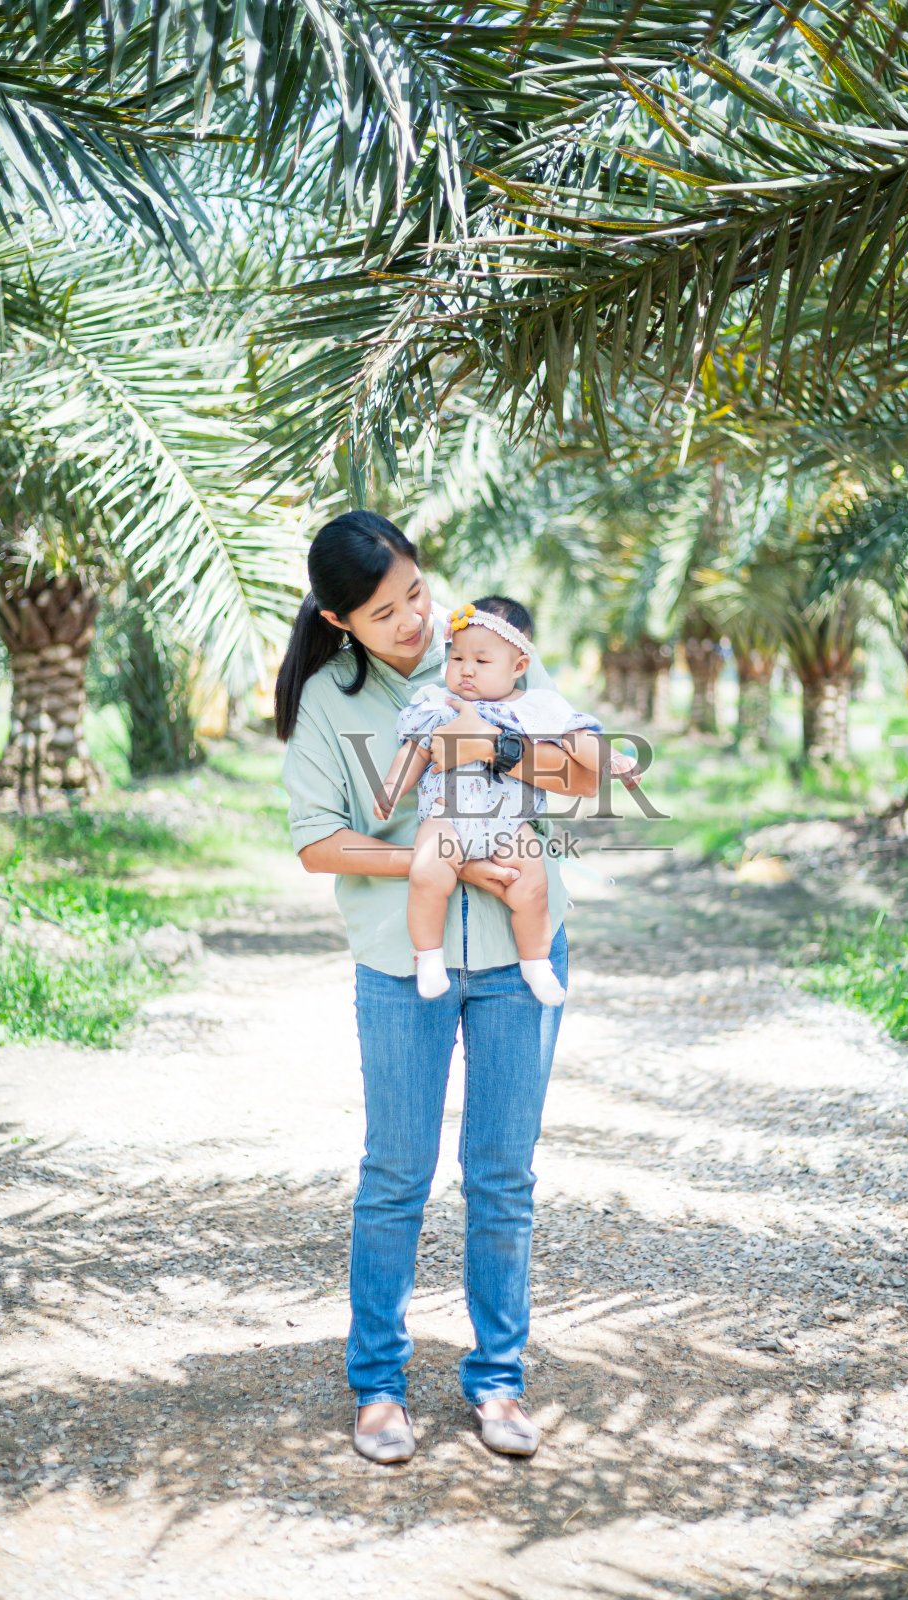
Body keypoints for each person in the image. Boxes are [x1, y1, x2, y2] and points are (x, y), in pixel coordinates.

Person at [276, 511, 637, 1466]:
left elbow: (599, 772)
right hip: (405, 965)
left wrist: (499, 751)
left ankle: (499, 1379)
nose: (413, 622)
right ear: (339, 619)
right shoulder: (329, 701)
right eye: (384, 612)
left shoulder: (490, 653)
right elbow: (318, 841)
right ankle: (379, 1388)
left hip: (527, 957)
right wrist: (443, 866)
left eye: (416, 594)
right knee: (396, 1173)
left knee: (502, 1174)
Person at [373, 596, 606, 1005]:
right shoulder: (436, 702)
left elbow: (579, 739)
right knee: (427, 873)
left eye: (481, 662)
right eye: (456, 657)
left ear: (518, 667)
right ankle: (428, 957)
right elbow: (415, 750)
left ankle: (536, 964)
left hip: (509, 821)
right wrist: (392, 787)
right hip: (446, 815)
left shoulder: (535, 708)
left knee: (531, 885)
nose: (464, 670)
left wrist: (614, 759)